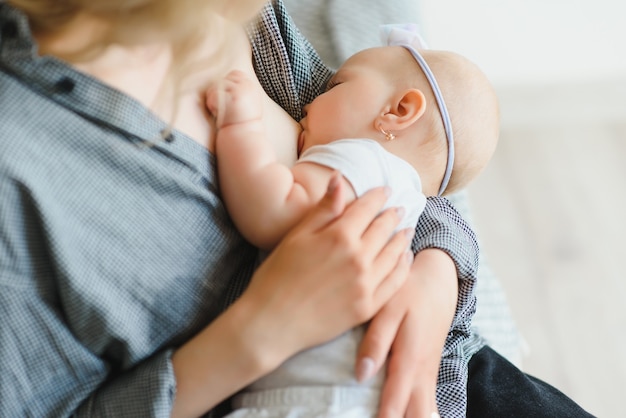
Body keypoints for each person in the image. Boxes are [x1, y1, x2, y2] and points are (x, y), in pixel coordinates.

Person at [0, 1, 594, 418]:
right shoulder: (21, 169)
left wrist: (436, 267)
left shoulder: (246, 17)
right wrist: (261, 329)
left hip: (438, 373)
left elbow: (408, 160)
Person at [207, 24, 499, 418]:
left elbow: (271, 212)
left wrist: (238, 127)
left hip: (309, 400)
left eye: (335, 86)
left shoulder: (359, 160)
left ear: (397, 113)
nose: (313, 100)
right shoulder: (407, 194)